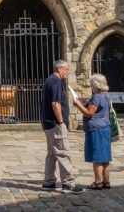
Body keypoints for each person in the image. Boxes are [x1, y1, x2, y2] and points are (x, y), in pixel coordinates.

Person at [41, 60, 82, 193]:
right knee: (63, 152)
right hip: (54, 123)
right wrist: (60, 121)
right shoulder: (56, 81)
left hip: (48, 123)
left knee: (52, 153)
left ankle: (48, 182)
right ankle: (68, 183)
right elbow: (55, 103)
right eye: (67, 69)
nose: (68, 72)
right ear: (60, 69)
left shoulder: (50, 80)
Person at [73, 73, 112, 190]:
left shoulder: (97, 97)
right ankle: (106, 181)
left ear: (95, 85)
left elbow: (89, 113)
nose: (90, 86)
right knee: (105, 157)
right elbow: (97, 106)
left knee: (98, 158)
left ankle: (98, 182)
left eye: (91, 84)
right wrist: (84, 100)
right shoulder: (106, 95)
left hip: (96, 130)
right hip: (105, 129)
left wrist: (77, 104)